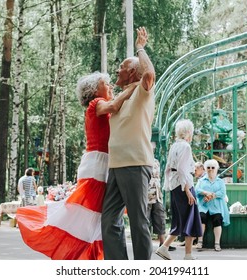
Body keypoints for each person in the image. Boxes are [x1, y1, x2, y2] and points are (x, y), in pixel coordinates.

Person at [16, 71, 134, 260]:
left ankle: (91, 257)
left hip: (101, 162)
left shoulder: (99, 106)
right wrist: (132, 88)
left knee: (94, 217)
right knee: (88, 215)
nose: (111, 86)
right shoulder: (96, 104)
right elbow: (114, 105)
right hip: (97, 164)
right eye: (107, 84)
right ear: (95, 90)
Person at [101, 26, 156, 260]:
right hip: (115, 166)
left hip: (135, 164)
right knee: (109, 221)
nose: (117, 69)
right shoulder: (119, 97)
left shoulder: (143, 91)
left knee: (138, 222)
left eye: (122, 66)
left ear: (133, 72)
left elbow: (150, 73)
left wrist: (140, 48)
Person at [155, 119, 202, 260]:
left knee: (181, 219)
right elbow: (183, 169)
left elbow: (169, 168)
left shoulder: (174, 146)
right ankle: (187, 255)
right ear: (188, 132)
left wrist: (168, 185)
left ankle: (165, 248)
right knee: (190, 218)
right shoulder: (186, 147)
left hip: (175, 185)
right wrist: (187, 189)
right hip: (184, 185)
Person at [195, 159, 230, 251]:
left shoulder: (220, 181)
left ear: (216, 169)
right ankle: (200, 241)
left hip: (216, 205)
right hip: (204, 205)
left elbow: (222, 193)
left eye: (213, 167)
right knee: (201, 217)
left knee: (217, 219)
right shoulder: (201, 181)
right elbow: (196, 191)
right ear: (205, 169)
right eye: (208, 167)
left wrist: (212, 196)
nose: (210, 169)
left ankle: (217, 243)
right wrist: (205, 193)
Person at [147, 157, 176, 251]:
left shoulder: (156, 161)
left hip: (157, 194)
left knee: (160, 218)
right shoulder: (141, 159)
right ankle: (146, 243)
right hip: (146, 194)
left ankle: (163, 244)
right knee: (145, 219)